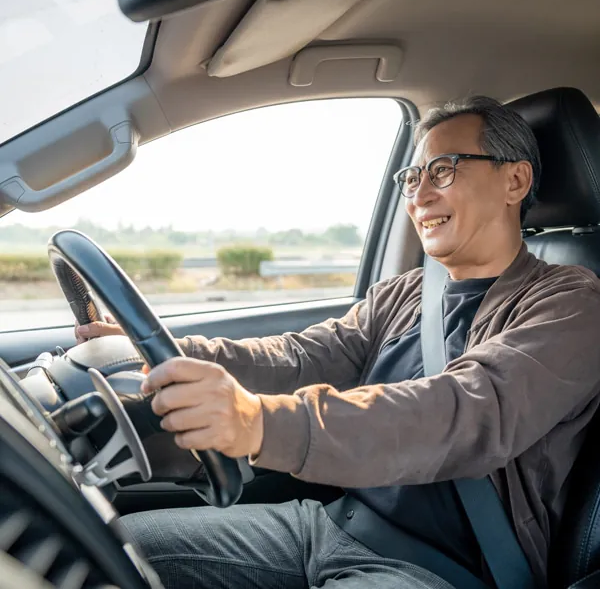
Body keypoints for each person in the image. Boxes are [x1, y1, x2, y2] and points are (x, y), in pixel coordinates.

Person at [76, 97, 600, 589]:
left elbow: (462, 411)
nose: (419, 195)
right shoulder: (406, 292)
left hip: (438, 569)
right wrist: (158, 350)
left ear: (515, 180)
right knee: (107, 548)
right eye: (412, 177)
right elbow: (300, 358)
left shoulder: (571, 304)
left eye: (443, 170)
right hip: (333, 523)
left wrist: (259, 422)